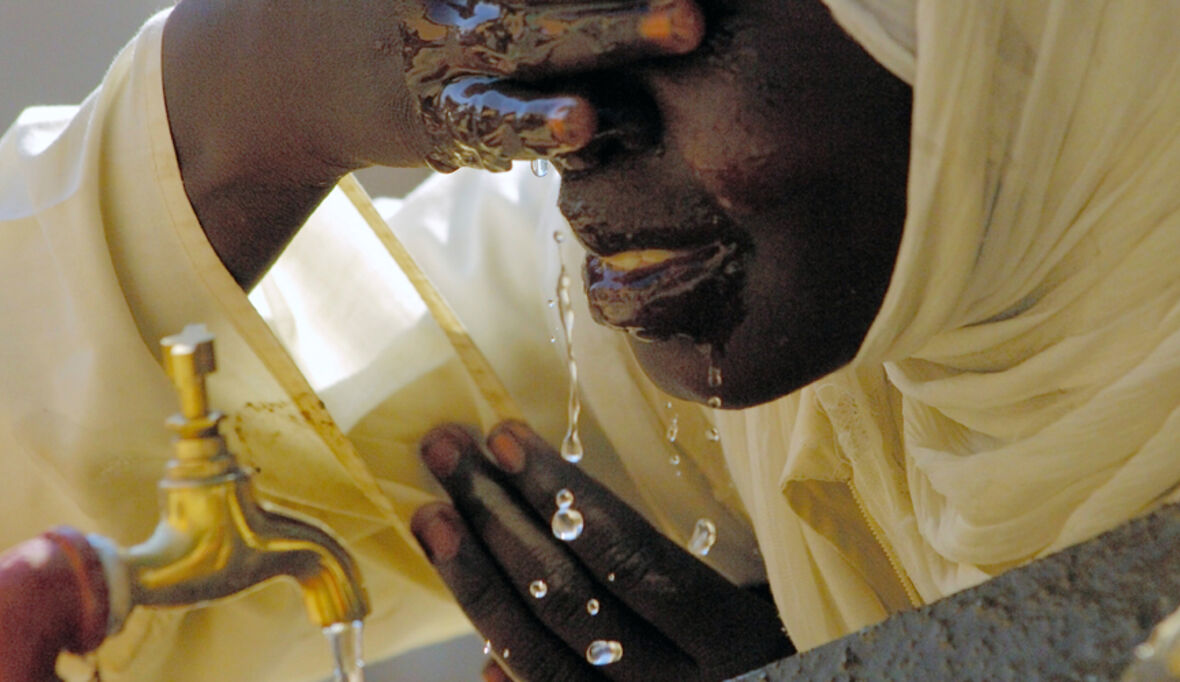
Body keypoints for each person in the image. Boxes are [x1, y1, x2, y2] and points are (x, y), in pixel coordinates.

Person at [3, 0, 1180, 679]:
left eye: (658, 9)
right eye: (538, 8)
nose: (563, 121)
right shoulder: (812, 354)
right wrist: (239, 114)